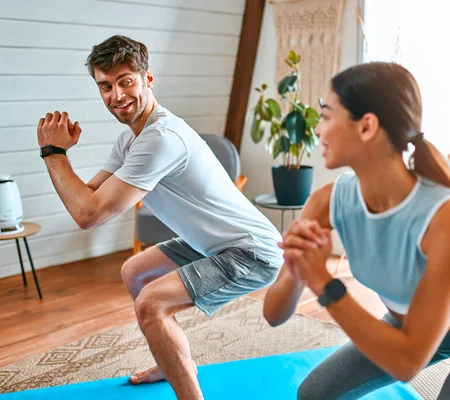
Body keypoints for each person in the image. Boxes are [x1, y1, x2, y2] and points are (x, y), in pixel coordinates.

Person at [263, 62, 450, 400]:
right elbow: (273, 315)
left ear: (367, 126)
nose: (318, 130)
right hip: (406, 327)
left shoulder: (447, 218)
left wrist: (324, 283)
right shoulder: (327, 201)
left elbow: (406, 364)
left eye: (328, 116)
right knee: (314, 394)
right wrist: (295, 269)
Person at [36, 35, 283, 400]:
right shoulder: (130, 140)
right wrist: (58, 155)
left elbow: (89, 214)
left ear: (147, 79)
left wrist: (53, 153)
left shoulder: (162, 137)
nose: (116, 95)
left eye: (125, 81)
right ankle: (171, 358)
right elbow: (85, 198)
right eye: (105, 86)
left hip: (252, 251)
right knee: (134, 272)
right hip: (212, 242)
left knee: (151, 303)